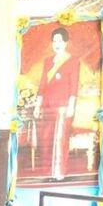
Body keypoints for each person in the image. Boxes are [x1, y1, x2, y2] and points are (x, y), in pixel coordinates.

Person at [33, 27, 80, 180]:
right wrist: (37, 105)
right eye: (54, 41)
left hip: (63, 107)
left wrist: (71, 106)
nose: (57, 44)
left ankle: (59, 173)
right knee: (46, 140)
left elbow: (74, 85)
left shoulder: (73, 61)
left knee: (60, 140)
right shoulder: (48, 61)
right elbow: (42, 84)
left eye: (60, 41)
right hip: (47, 107)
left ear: (66, 42)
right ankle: (47, 172)